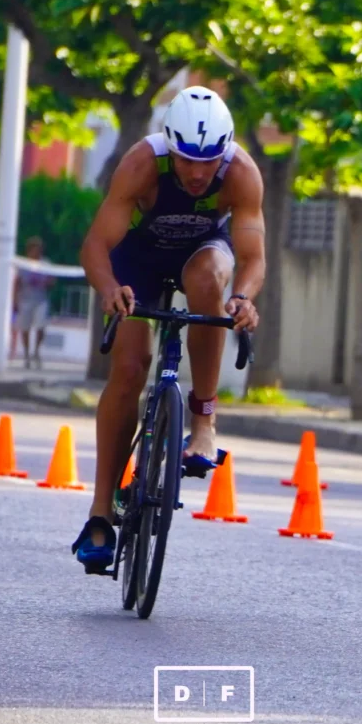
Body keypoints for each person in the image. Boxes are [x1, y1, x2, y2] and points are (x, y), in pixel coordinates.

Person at [73, 85, 265, 571]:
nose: (198, 173)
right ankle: (100, 514)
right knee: (131, 368)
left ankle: (202, 421)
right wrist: (110, 288)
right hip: (135, 259)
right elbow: (95, 245)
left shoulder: (241, 173)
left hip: (201, 253)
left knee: (209, 284)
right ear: (169, 146)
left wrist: (242, 297)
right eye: (186, 160)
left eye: (208, 162)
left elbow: (253, 257)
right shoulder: (141, 163)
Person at [12, 236, 55, 369]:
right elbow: (17, 283)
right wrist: (15, 301)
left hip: (41, 299)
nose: (37, 252)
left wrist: (46, 282)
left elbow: (52, 281)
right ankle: (26, 355)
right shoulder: (23, 265)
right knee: (25, 328)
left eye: (39, 249)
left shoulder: (46, 264)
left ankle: (36, 351)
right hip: (25, 300)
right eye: (34, 249)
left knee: (41, 326)